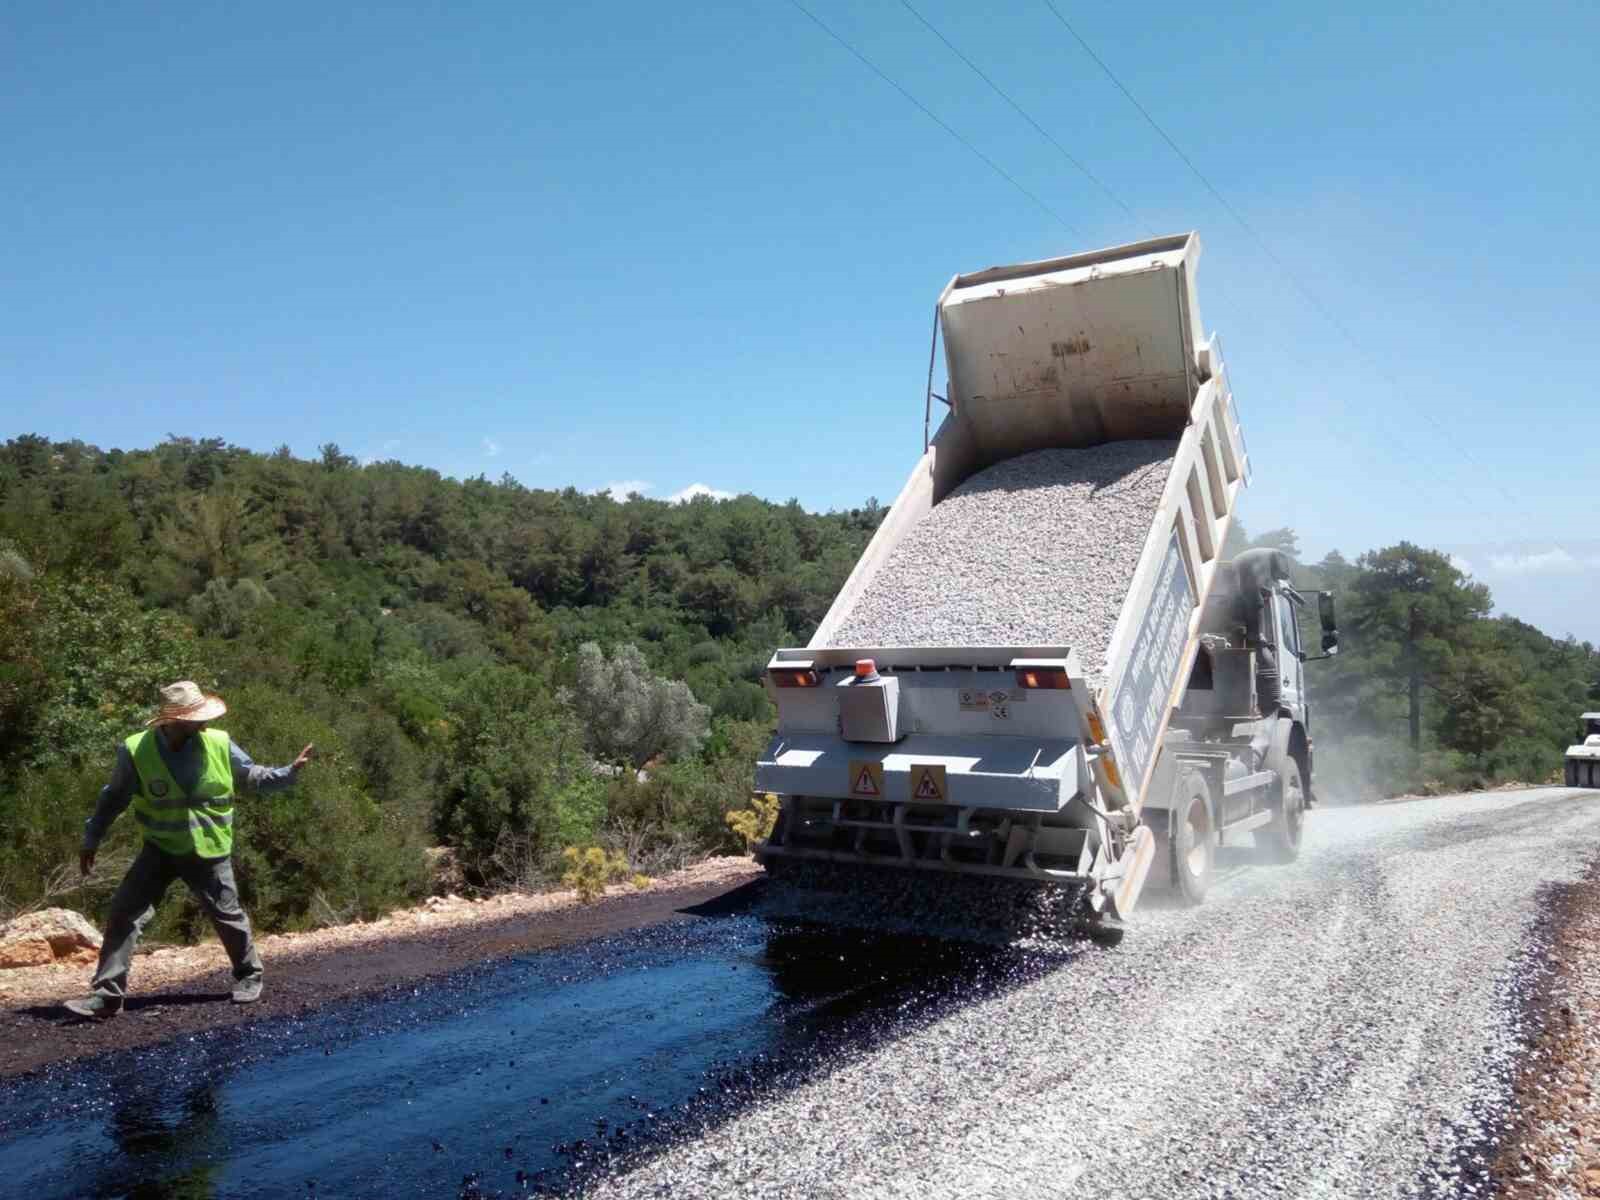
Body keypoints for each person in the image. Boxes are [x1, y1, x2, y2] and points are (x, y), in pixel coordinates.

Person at [63, 681, 313, 1020]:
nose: (204, 723)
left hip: (207, 849)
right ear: (174, 720)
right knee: (124, 913)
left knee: (226, 914)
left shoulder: (218, 742)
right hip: (160, 848)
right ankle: (107, 996)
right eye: (197, 718)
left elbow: (251, 774)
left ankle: (249, 975)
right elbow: (114, 796)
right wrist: (91, 837)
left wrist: (287, 773)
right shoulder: (136, 749)